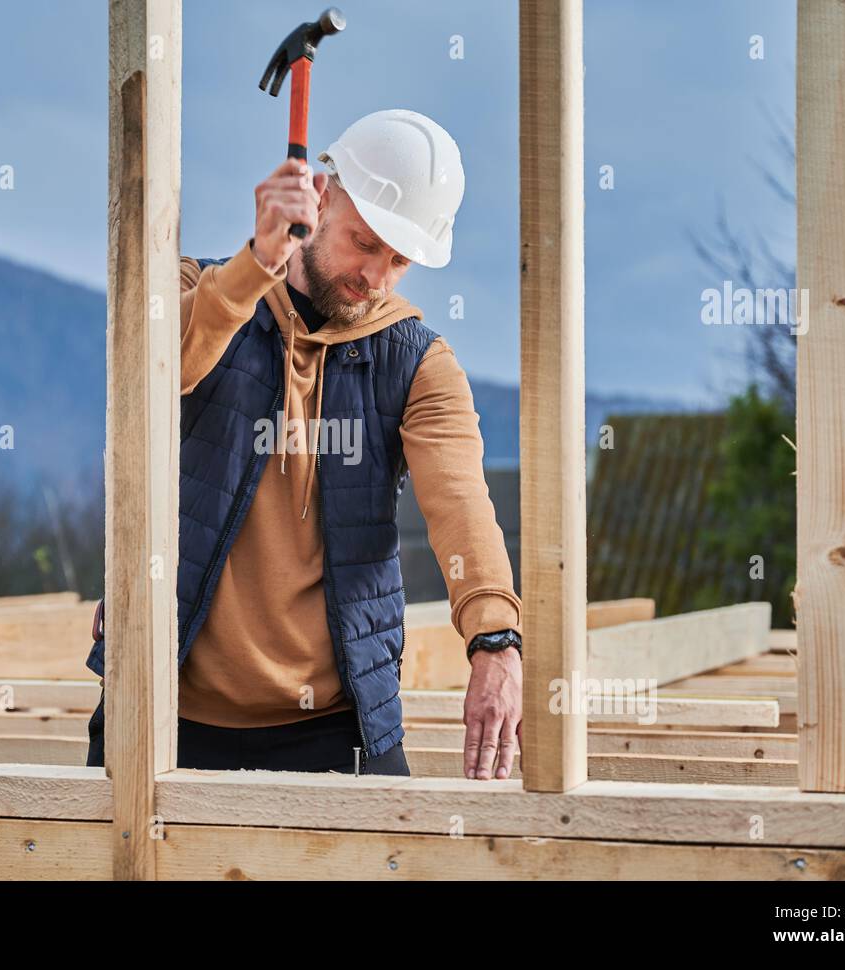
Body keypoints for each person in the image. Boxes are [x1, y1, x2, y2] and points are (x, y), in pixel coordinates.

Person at [87, 109, 523, 779]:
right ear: (321, 197)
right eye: (364, 242)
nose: (377, 276)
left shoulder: (416, 363)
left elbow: (461, 503)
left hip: (338, 732)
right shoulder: (201, 293)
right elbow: (148, 372)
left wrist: (495, 640)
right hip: (164, 717)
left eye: (399, 258)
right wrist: (255, 266)